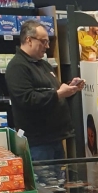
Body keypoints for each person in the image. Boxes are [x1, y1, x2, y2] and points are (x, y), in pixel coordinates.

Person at [5, 19, 84, 161]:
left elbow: (53, 91)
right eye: (43, 41)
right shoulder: (17, 67)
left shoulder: (43, 65)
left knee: (58, 175)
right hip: (37, 143)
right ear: (29, 40)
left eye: (48, 42)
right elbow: (27, 99)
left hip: (54, 139)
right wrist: (58, 94)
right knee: (43, 175)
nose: (47, 46)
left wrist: (69, 88)